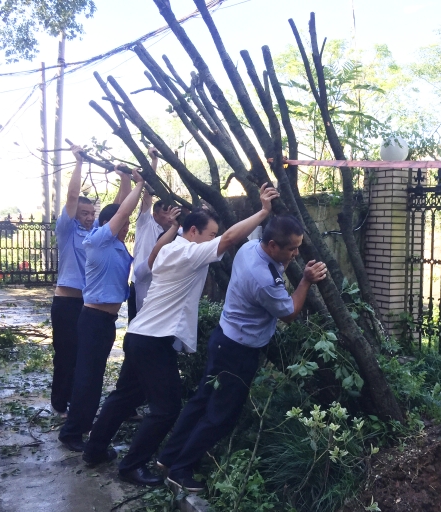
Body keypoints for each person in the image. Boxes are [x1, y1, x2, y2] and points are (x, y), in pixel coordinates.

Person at [80, 184, 280, 487]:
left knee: (125, 396)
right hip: (154, 341)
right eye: (210, 234)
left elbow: (155, 253)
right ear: (194, 232)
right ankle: (132, 466)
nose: (213, 240)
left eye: (213, 235)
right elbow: (229, 239)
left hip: (139, 334)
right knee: (166, 409)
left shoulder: (169, 249)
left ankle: (94, 450)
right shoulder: (188, 253)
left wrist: (173, 227)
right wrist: (264, 212)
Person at [159, 214, 327, 492]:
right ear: (272, 246)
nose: (296, 253)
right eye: (292, 248)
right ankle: (181, 470)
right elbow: (288, 313)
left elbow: (277, 269)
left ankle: (168, 458)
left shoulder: (250, 247)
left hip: (223, 339)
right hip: (238, 353)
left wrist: (286, 261)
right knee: (221, 415)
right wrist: (306, 281)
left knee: (201, 402)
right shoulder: (262, 279)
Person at [58, 169, 146, 453]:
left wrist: (133, 180)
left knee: (94, 378)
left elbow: (122, 208)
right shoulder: (97, 240)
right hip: (93, 320)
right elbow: (122, 210)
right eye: (123, 223)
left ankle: (83, 426)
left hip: (107, 322)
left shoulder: (118, 247)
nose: (127, 226)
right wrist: (140, 185)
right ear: (109, 224)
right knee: (87, 378)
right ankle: (71, 432)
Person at [50, 146, 131, 417]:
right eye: (83, 212)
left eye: (91, 213)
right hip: (66, 303)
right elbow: (72, 196)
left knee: (83, 359)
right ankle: (59, 404)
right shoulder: (66, 230)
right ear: (74, 213)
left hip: (87, 306)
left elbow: (117, 211)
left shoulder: (96, 234)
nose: (88, 217)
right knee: (65, 354)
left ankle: (76, 404)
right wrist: (79, 162)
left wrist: (125, 179)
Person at [127, 147, 176, 322]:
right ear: (155, 214)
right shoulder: (146, 223)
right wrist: (154, 162)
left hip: (160, 285)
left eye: (171, 213)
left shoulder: (175, 232)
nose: (170, 217)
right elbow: (147, 194)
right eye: (165, 214)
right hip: (140, 282)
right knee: (136, 324)